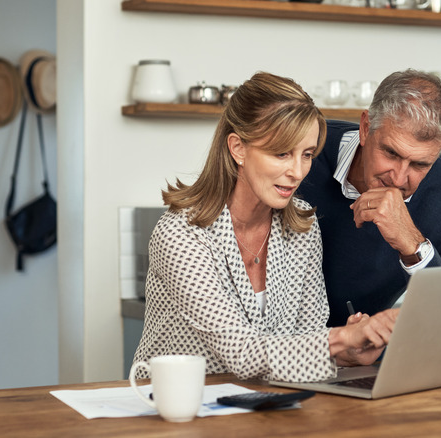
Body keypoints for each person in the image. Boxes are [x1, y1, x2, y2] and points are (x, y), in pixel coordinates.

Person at [133, 72, 399, 383]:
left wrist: (346, 355)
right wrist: (343, 338)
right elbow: (242, 353)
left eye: (307, 155)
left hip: (265, 407)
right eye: (281, 153)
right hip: (178, 408)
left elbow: (305, 337)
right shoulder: (181, 234)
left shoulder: (303, 228)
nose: (297, 171)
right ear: (238, 148)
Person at [298, 69, 441, 327]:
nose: (398, 178)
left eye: (419, 164)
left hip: (365, 354)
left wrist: (413, 246)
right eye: (391, 153)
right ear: (365, 127)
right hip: (279, 349)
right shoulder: (304, 153)